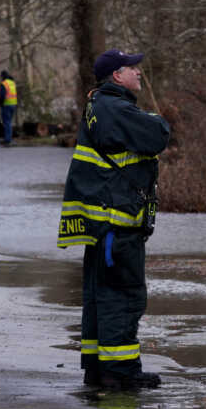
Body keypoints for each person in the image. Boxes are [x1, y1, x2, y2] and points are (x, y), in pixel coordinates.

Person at [57, 49, 171, 391]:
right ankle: (119, 370)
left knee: (99, 295)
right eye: (132, 68)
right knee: (123, 295)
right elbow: (158, 134)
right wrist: (155, 119)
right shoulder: (115, 109)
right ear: (116, 76)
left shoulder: (98, 106)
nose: (139, 72)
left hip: (101, 225)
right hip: (116, 223)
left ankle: (97, 366)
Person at [0, 70, 18, 145]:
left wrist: (0, 103)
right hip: (13, 104)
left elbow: (2, 95)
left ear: (2, 76)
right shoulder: (12, 83)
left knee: (6, 122)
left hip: (6, 105)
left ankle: (7, 139)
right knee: (9, 122)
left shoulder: (4, 84)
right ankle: (9, 138)